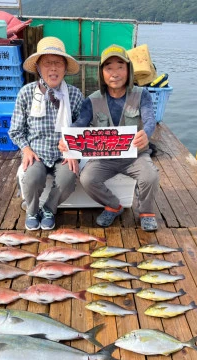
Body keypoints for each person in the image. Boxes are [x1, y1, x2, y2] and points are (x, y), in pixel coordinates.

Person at [59, 44, 159, 231]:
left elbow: (150, 120)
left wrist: (146, 133)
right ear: (101, 73)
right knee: (87, 178)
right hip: (104, 157)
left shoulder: (142, 95)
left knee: (150, 176)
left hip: (135, 156)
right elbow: (79, 123)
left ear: (128, 70)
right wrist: (66, 138)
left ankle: (146, 211)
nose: (115, 73)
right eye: (109, 68)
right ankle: (114, 205)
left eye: (120, 67)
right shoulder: (91, 100)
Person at [9, 37, 83, 231]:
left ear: (65, 68)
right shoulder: (26, 93)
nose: (53, 68)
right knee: (32, 178)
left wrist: (73, 150)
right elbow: (15, 130)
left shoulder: (75, 95)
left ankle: (49, 208)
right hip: (37, 153)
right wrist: (25, 149)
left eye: (58, 63)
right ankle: (32, 210)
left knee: (69, 177)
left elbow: (82, 127)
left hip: (63, 155)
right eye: (47, 63)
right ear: (39, 68)